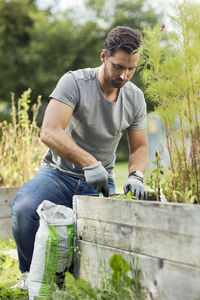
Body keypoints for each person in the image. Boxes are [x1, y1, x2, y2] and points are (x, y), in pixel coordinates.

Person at [11, 25, 148, 290]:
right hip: (59, 174)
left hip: (98, 182)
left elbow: (140, 147)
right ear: (103, 56)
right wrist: (89, 162)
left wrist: (136, 175)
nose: (124, 76)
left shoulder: (135, 98)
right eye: (118, 66)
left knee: (106, 234)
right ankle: (31, 276)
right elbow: (50, 132)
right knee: (24, 209)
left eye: (131, 69)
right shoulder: (74, 82)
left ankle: (83, 280)